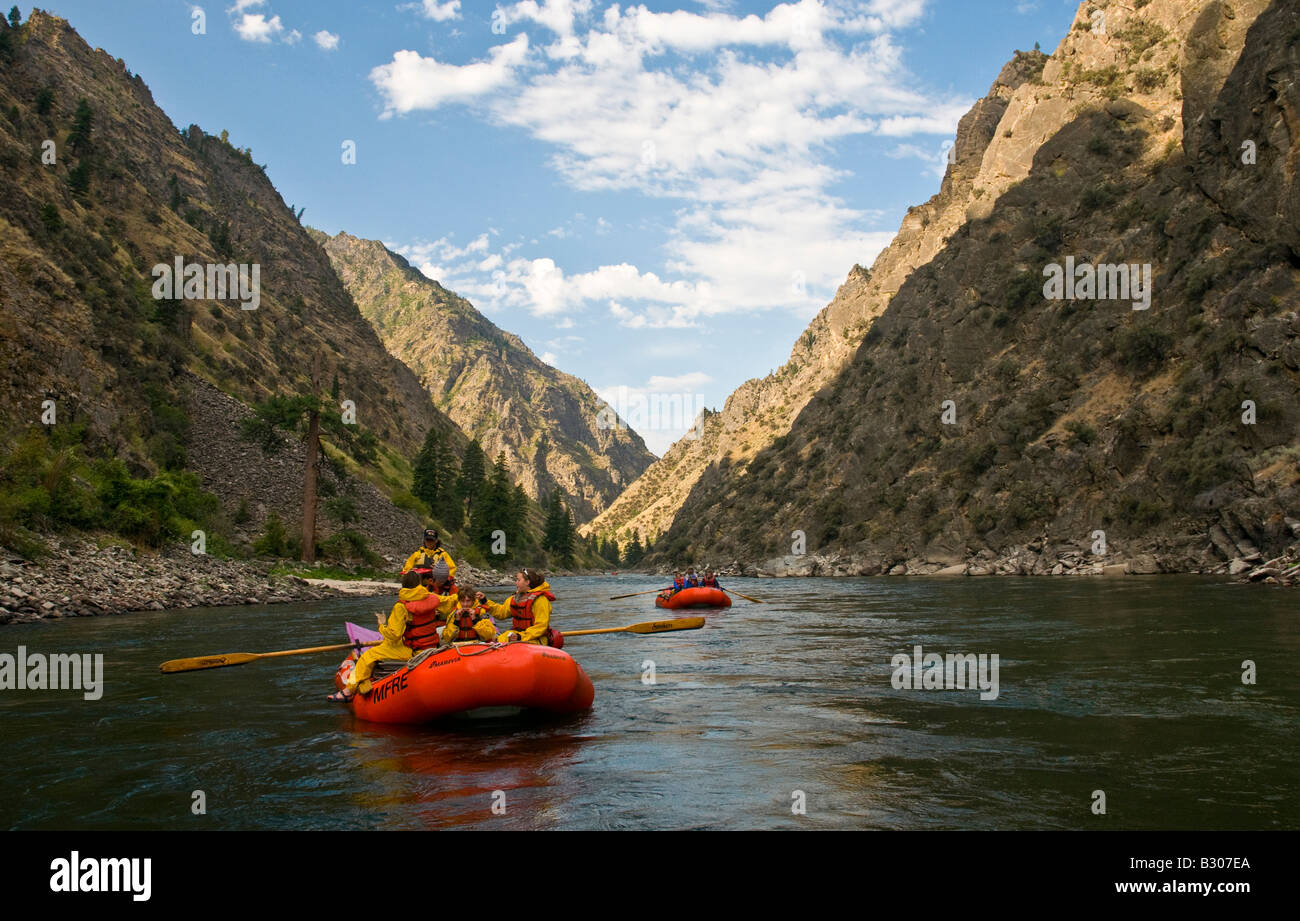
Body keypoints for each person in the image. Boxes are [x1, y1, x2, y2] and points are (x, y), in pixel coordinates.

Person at [328, 570, 445, 701]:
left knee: (369, 655)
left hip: (414, 651)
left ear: (404, 586)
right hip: (431, 647)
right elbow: (450, 602)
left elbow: (394, 635)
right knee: (390, 644)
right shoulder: (432, 597)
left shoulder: (401, 606)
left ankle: (349, 690)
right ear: (419, 584)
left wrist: (381, 626)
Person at [481, 568, 555, 645]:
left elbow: (541, 626)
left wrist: (520, 637)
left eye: (518, 580)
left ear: (527, 582)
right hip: (518, 635)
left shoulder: (540, 600)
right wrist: (485, 601)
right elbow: (501, 613)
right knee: (503, 637)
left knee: (508, 639)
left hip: (535, 639)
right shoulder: (515, 598)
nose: (516, 583)